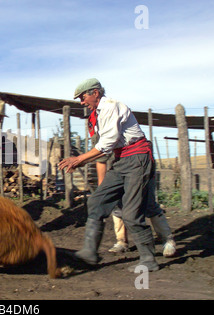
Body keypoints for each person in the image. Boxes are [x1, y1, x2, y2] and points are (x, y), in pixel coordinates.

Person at [59, 78, 160, 272]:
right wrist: (81, 160)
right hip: (122, 160)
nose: (81, 102)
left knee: (131, 213)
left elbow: (108, 143)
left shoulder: (111, 107)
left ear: (95, 93)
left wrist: (79, 159)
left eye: (83, 97)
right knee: (96, 201)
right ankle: (89, 253)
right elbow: (107, 148)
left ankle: (148, 260)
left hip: (137, 159)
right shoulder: (99, 113)